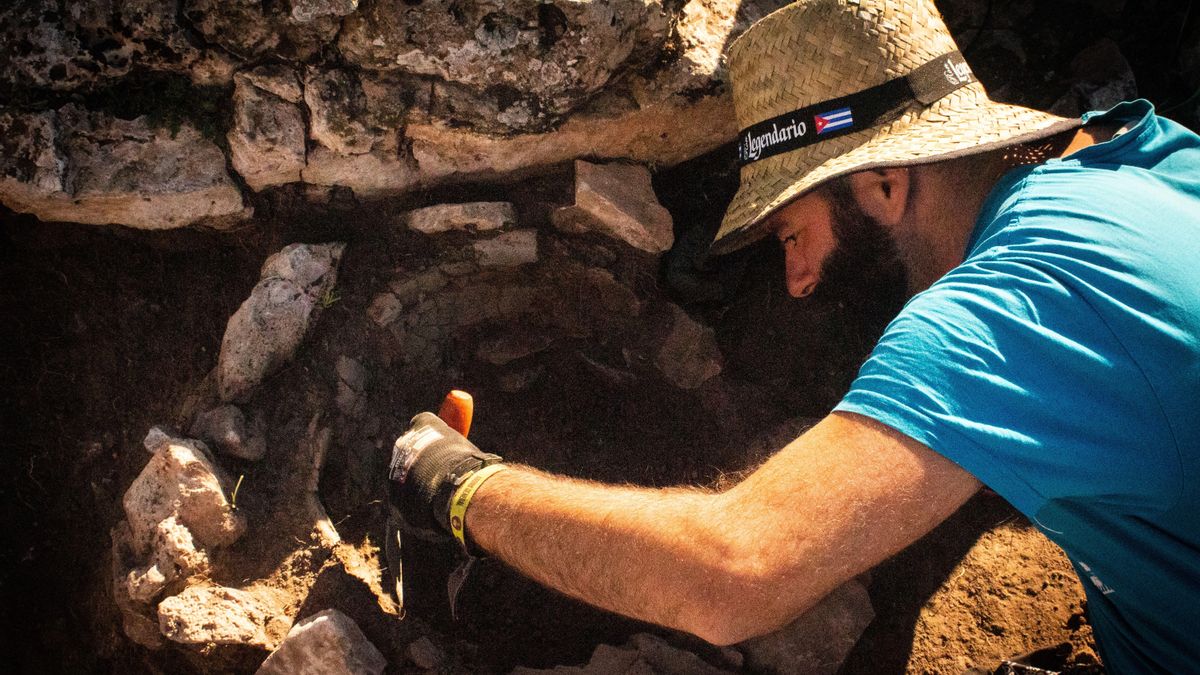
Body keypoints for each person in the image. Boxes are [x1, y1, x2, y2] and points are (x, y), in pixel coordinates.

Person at [387, 1, 1200, 672]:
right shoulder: (1146, 159)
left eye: (790, 234)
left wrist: (458, 486)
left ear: (884, 185)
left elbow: (731, 574)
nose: (798, 280)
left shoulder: (1004, 312)